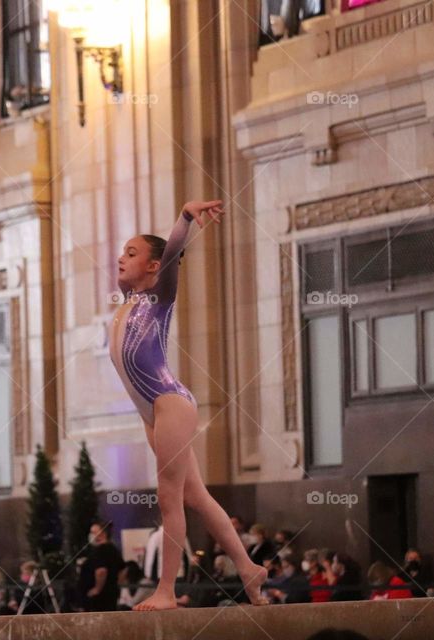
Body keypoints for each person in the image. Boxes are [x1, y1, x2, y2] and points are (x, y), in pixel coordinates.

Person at [109, 200, 268, 609]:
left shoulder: (159, 296)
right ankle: (248, 568)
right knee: (196, 497)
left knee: (169, 496)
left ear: (153, 266)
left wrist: (183, 218)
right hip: (151, 412)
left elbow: (175, 253)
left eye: (131, 253)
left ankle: (166, 591)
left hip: (169, 404)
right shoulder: (127, 304)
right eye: (121, 251)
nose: (120, 258)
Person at [77, 521, 124, 612]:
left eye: (94, 532)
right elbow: (122, 569)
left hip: (98, 600)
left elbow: (101, 571)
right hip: (110, 595)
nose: (91, 535)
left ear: (103, 534)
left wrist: (97, 589)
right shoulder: (113, 549)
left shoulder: (100, 551)